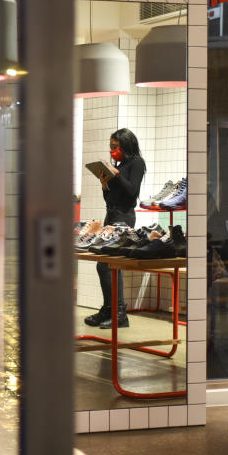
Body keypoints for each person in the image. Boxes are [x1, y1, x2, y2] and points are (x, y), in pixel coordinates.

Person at [84, 128, 146, 329]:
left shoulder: (136, 163)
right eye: (110, 147)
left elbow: (132, 193)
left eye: (115, 146)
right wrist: (105, 185)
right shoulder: (121, 165)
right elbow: (110, 199)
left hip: (124, 217)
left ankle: (119, 312)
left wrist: (117, 175)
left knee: (111, 264)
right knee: (103, 264)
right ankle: (109, 309)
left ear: (126, 144)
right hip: (111, 214)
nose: (112, 151)